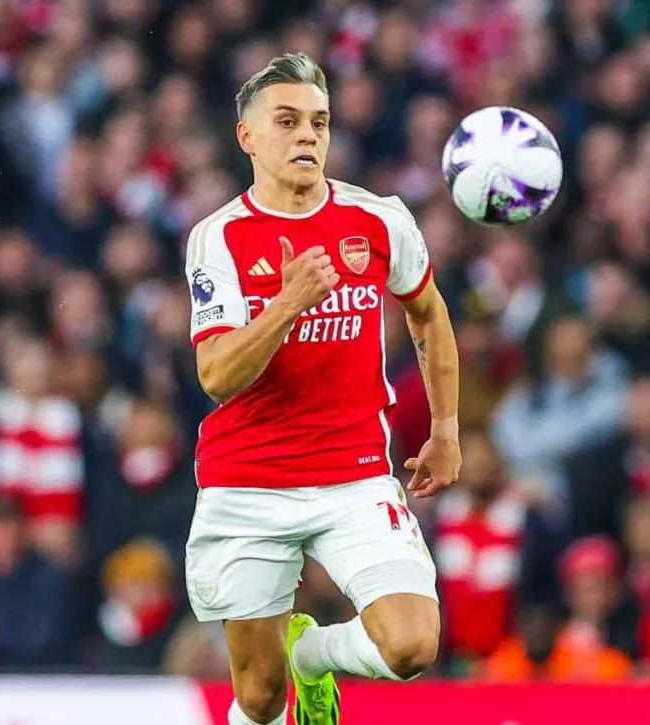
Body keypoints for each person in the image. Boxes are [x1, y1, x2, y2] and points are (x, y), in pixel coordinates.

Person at [182, 53, 461, 725]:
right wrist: (288, 304)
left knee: (413, 644)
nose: (307, 135)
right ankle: (284, 676)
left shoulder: (379, 220)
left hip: (353, 474)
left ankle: (312, 655)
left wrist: (447, 429)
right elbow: (216, 376)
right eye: (287, 121)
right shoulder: (218, 238)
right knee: (258, 695)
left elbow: (427, 312)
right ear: (247, 136)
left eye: (319, 122)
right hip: (248, 479)